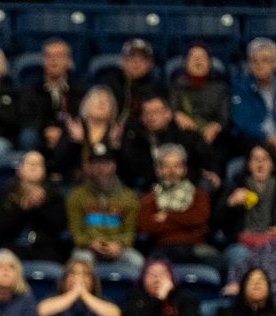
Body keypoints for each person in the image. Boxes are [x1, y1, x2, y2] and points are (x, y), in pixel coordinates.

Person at [137, 143, 219, 267]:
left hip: (195, 247)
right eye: (166, 166)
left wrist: (167, 216)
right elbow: (147, 225)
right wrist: (185, 222)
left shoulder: (199, 194)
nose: (172, 171)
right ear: (158, 169)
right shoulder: (148, 197)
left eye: (177, 166)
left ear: (184, 169)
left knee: (217, 262)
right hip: (162, 247)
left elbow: (198, 219)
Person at [65, 143, 143, 268]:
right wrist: (90, 243)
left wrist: (119, 244)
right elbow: (75, 232)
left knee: (137, 262)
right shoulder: (76, 196)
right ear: (89, 167)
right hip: (88, 248)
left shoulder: (129, 197)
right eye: (96, 164)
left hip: (118, 247)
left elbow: (130, 232)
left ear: (114, 166)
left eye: (105, 163)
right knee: (80, 263)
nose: (101, 168)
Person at [118, 95, 217, 193]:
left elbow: (207, 159)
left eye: (156, 111)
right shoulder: (136, 139)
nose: (151, 116)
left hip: (187, 186)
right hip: (150, 189)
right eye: (146, 112)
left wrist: (214, 172)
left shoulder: (188, 137)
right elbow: (130, 170)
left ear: (169, 114)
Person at [0, 150, 69, 263]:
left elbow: (60, 225)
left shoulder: (53, 193)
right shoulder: (6, 192)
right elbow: (1, 226)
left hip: (45, 249)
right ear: (19, 169)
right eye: (31, 164)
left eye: (39, 164)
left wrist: (41, 205)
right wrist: (23, 208)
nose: (34, 168)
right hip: (12, 247)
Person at [216, 144, 276, 287]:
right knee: (239, 255)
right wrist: (229, 204)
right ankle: (235, 294)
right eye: (255, 159)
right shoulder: (235, 186)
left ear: (273, 164)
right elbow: (215, 225)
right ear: (248, 164)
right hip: (242, 243)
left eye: (265, 159)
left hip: (272, 242)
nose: (260, 164)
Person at [18, 38, 85, 152]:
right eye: (48, 56)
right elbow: (26, 117)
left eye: (59, 56)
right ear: (42, 60)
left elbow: (80, 115)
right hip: (40, 135)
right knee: (28, 136)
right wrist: (46, 129)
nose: (53, 60)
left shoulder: (80, 88)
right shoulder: (30, 88)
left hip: (69, 135)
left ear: (68, 60)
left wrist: (63, 131)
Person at [169, 43, 229, 153]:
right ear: (185, 63)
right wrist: (176, 115)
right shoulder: (176, 86)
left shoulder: (220, 87)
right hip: (185, 134)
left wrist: (216, 126)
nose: (198, 61)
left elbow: (225, 116)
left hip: (214, 137)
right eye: (193, 57)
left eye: (202, 57)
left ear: (209, 63)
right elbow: (172, 109)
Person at [230, 38, 276, 156]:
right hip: (253, 139)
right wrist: (267, 137)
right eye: (254, 61)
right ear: (249, 65)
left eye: (265, 60)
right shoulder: (240, 87)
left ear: (274, 63)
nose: (259, 65)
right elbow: (242, 121)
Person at [104, 38, 162, 127]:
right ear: (122, 61)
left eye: (142, 59)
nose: (136, 62)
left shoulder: (157, 88)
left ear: (150, 64)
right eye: (131, 57)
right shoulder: (109, 83)